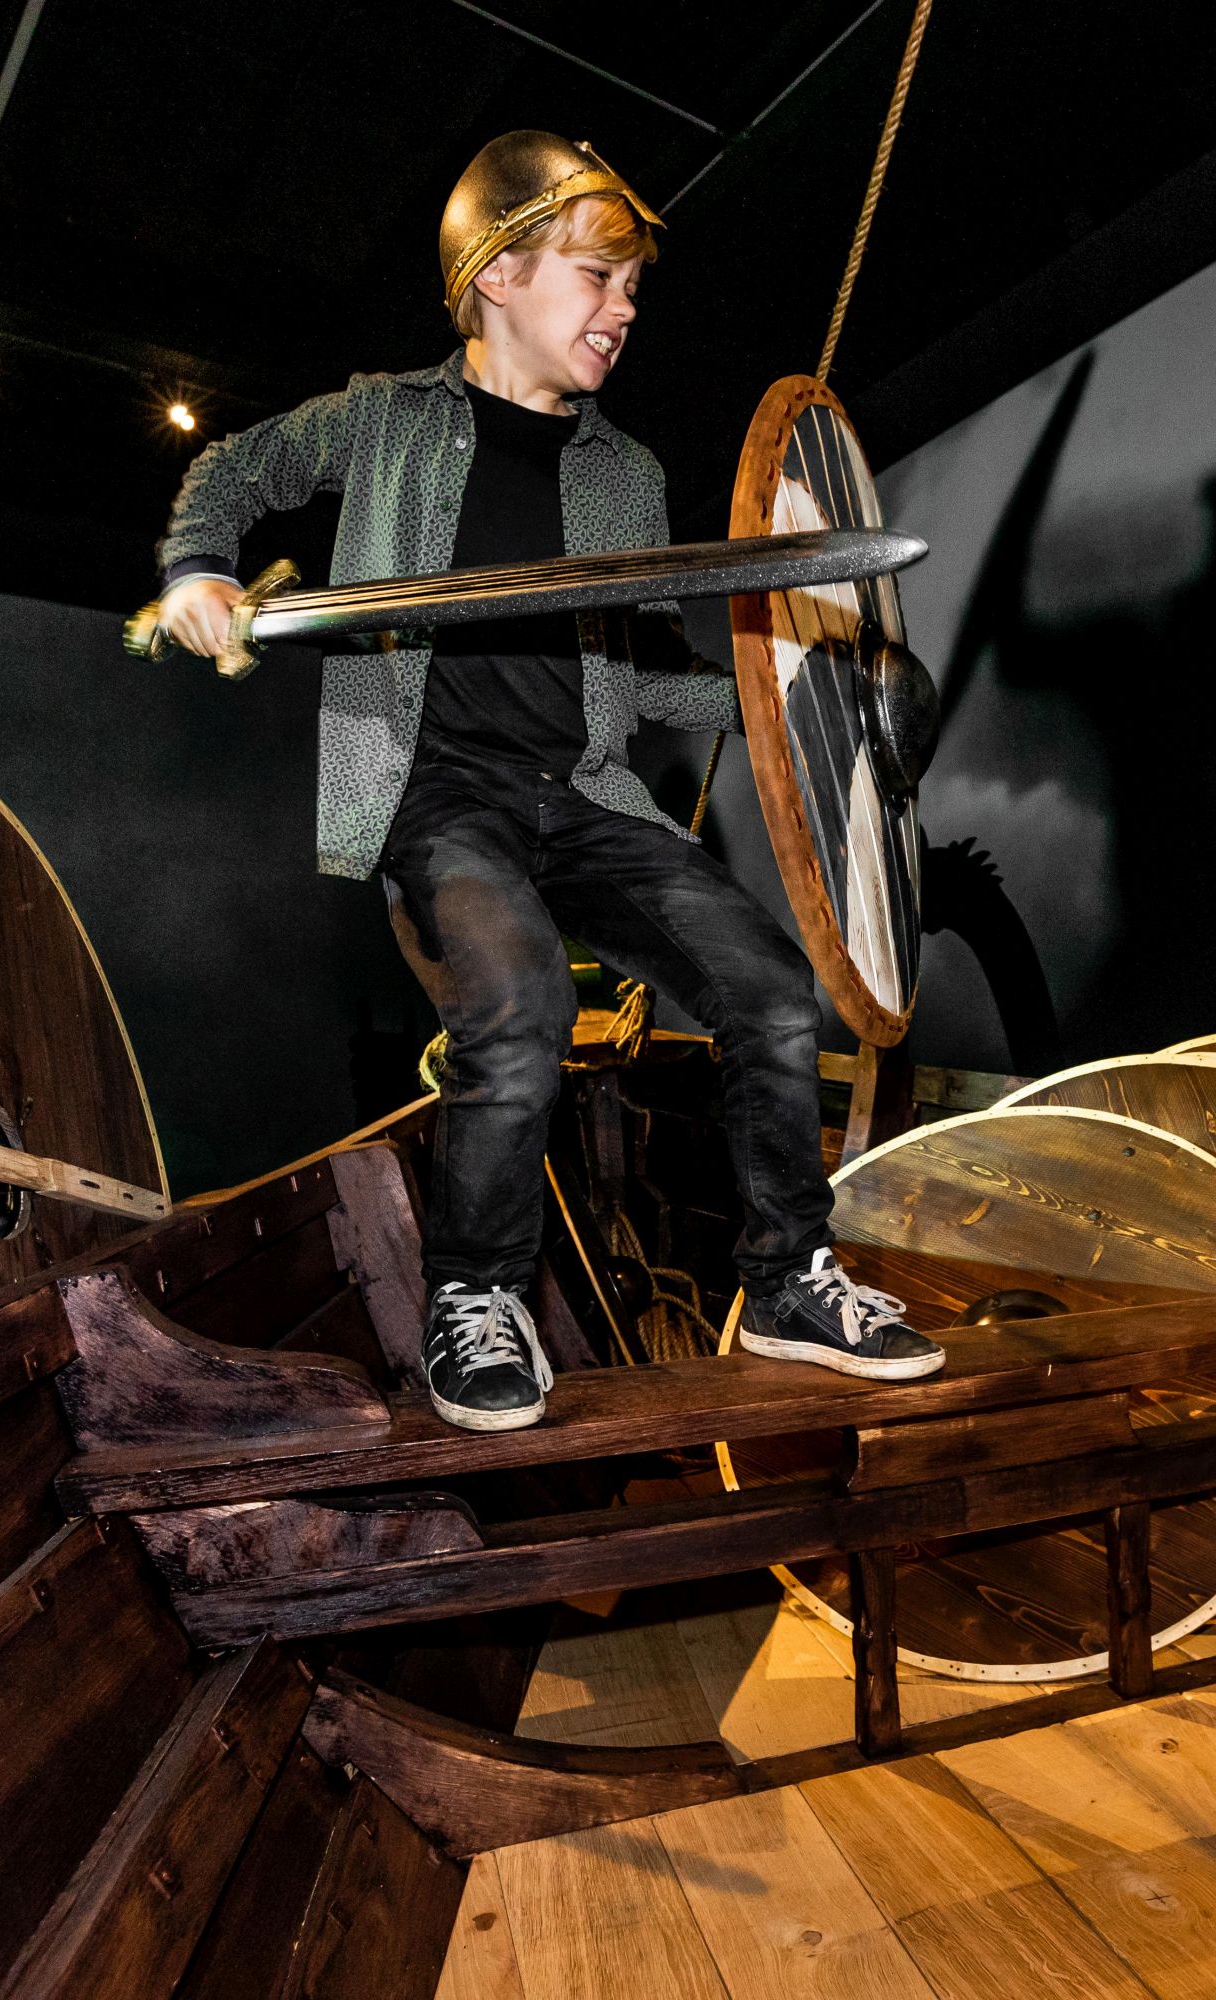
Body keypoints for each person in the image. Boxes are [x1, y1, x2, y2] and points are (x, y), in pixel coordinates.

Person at [151, 131, 943, 1433]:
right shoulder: (384, 419)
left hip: (583, 799)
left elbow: (648, 689)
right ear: (501, 275)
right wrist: (198, 569)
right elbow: (235, 474)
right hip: (435, 797)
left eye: (632, 289)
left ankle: (792, 1279)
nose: (623, 310)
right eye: (596, 277)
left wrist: (819, 690)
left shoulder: (624, 478)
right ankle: (477, 1300)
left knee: (768, 988)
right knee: (513, 1003)